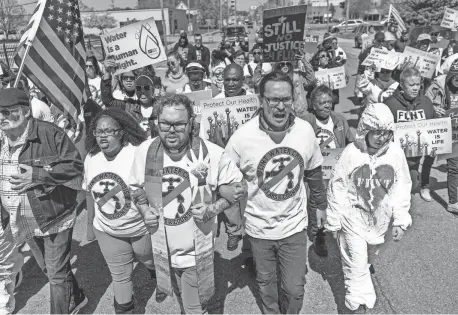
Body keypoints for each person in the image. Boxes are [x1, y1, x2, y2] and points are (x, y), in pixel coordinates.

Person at [129, 94, 245, 313]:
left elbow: (239, 188)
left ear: (191, 123)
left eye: (179, 124)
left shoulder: (211, 153)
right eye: (165, 123)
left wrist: (213, 209)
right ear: (156, 123)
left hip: (194, 251)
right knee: (181, 297)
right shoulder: (144, 151)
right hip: (161, 249)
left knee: (193, 308)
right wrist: (144, 209)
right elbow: (135, 187)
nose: (171, 130)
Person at [225, 72, 327, 314]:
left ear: (293, 99)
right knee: (266, 283)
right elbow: (226, 181)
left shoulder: (305, 130)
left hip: (294, 225)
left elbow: (313, 171)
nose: (281, 107)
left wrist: (320, 205)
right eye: (273, 100)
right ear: (261, 100)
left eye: (286, 99)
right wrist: (232, 221)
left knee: (294, 289)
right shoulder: (242, 138)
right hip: (259, 228)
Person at [0, 88, 87, 313]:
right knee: (50, 269)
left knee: (56, 275)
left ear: (26, 112)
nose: (1, 117)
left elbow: (75, 166)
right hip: (22, 218)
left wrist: (38, 175)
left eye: (7, 112)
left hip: (54, 215)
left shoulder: (50, 134)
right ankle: (76, 297)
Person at [325, 102, 412, 313]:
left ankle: (360, 292)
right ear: (365, 129)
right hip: (352, 217)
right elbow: (338, 185)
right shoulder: (351, 153)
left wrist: (400, 219)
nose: (381, 138)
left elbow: (401, 187)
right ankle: (354, 304)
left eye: (386, 133)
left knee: (369, 257)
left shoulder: (395, 154)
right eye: (376, 132)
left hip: (380, 220)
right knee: (356, 263)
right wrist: (335, 219)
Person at [83, 107, 155, 314]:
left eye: (108, 131)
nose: (102, 136)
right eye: (98, 131)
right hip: (108, 230)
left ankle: (155, 270)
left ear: (121, 132)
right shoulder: (91, 157)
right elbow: (89, 191)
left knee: (147, 259)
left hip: (141, 228)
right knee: (120, 277)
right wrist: (90, 224)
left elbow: (153, 190)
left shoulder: (137, 154)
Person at [300, 85, 354, 257]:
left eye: (329, 102)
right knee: (316, 203)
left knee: (340, 202)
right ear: (313, 105)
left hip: (336, 170)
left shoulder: (339, 120)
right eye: (322, 103)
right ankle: (319, 235)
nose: (326, 106)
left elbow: (351, 142)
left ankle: (343, 232)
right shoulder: (304, 121)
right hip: (314, 171)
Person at [384, 67, 437, 200]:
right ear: (402, 85)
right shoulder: (389, 104)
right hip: (394, 159)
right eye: (411, 85)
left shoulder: (426, 102)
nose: (415, 88)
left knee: (412, 185)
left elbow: (434, 124)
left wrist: (436, 142)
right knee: (393, 192)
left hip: (415, 158)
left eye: (418, 84)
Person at [425, 59, 458, 213]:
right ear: (451, 75)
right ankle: (425, 185)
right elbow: (424, 103)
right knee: (430, 157)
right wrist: (433, 110)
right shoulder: (436, 86)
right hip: (438, 128)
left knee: (454, 167)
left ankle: (453, 202)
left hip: (455, 132)